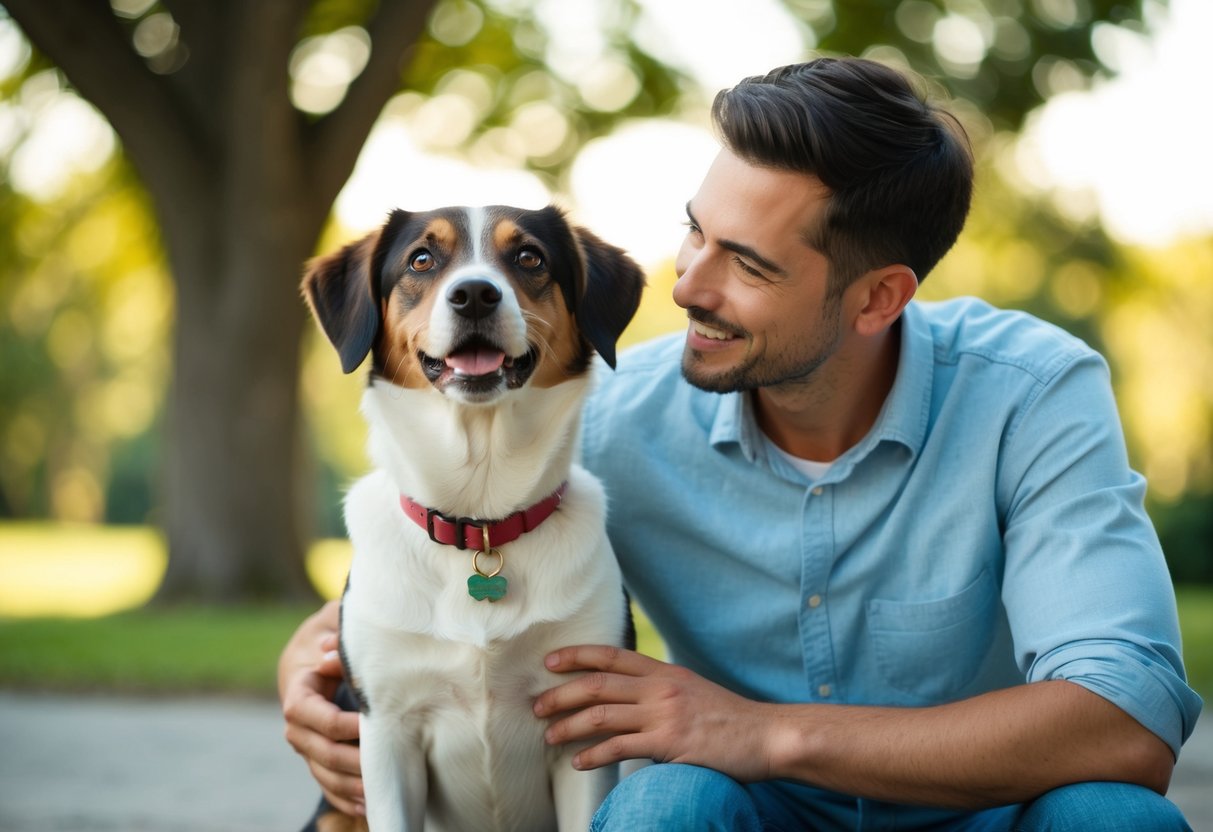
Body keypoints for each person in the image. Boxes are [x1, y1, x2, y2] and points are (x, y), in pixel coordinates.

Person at [279, 57, 1201, 830]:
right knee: (661, 809)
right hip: (746, 815)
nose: (686, 287)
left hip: (980, 807)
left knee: (1117, 819)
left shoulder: (1030, 395)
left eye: (747, 265)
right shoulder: (593, 416)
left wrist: (761, 732)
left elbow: (1127, 721)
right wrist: (308, 673)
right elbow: (433, 566)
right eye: (695, 233)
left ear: (877, 297)